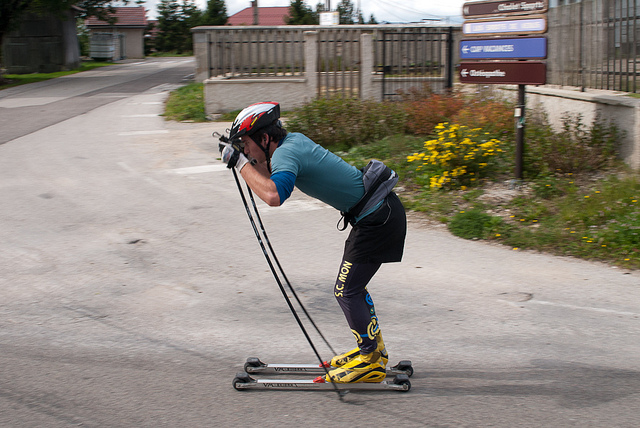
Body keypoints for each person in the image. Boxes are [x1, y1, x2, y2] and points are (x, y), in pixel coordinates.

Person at [220, 102, 407, 383]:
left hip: (377, 220)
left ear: (264, 138)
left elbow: (273, 196)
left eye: (245, 143)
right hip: (379, 214)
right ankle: (374, 351)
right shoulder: (291, 144)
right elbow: (272, 179)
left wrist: (240, 163)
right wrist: (249, 163)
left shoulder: (286, 153)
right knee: (353, 287)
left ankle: (370, 360)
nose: (245, 150)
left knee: (347, 290)